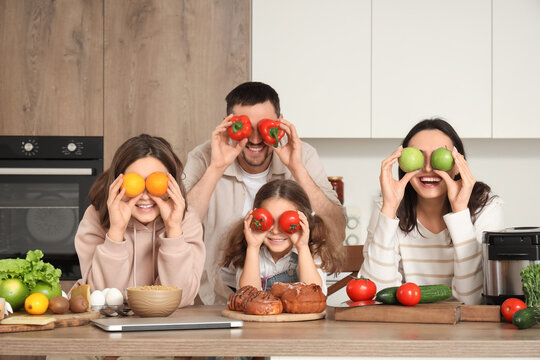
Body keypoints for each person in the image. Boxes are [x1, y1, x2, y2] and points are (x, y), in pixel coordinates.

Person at [184, 81, 346, 304]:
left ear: (280, 123)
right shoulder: (204, 157)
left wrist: (296, 168)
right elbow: (178, 231)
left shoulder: (302, 155)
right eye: (245, 127)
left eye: (264, 126)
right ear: (227, 124)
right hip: (214, 300)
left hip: (289, 303)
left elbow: (337, 231)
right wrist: (217, 167)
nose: (255, 138)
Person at [359, 119, 504, 305]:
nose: (428, 168)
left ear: (458, 164)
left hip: (465, 329)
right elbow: (378, 294)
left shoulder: (486, 208)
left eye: (439, 157)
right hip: (407, 327)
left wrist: (460, 211)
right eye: (417, 157)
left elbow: (473, 301)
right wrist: (389, 209)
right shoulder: (387, 207)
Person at [73, 134, 205, 308]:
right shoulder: (95, 217)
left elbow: (182, 297)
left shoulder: (186, 220)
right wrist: (116, 232)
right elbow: (101, 296)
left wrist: (174, 231)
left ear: (172, 184)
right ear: (118, 183)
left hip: (166, 327)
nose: (144, 196)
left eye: (154, 183)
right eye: (135, 183)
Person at [221, 180, 344, 294]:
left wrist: (302, 247)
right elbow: (247, 296)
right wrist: (253, 247)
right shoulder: (250, 254)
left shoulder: (312, 252)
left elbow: (313, 294)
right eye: (267, 221)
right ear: (255, 220)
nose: (275, 231)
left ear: (303, 222)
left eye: (286, 222)